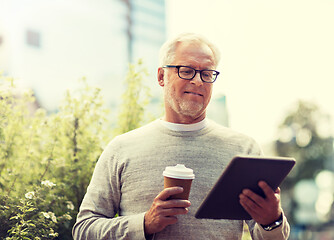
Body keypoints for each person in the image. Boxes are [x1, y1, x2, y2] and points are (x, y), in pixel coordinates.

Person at [72, 33, 290, 239]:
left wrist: (272, 220)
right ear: (161, 76)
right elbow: (83, 229)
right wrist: (144, 224)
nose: (198, 81)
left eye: (207, 73)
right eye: (186, 70)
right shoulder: (121, 148)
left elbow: (271, 236)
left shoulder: (244, 149)